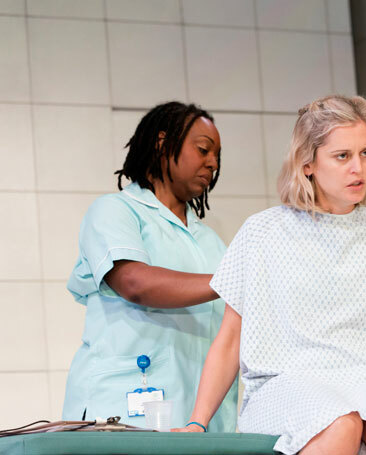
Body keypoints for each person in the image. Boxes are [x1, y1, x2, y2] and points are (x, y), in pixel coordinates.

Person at [174, 95, 366, 454]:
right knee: (338, 420)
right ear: (307, 163)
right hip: (286, 385)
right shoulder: (262, 232)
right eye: (343, 156)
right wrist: (197, 423)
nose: (359, 168)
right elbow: (229, 341)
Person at [62, 101, 237, 431]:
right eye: (203, 150)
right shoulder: (115, 212)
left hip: (198, 425)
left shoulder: (211, 242)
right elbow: (134, 283)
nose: (212, 163)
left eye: (217, 156)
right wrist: (233, 280)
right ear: (161, 143)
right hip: (120, 413)